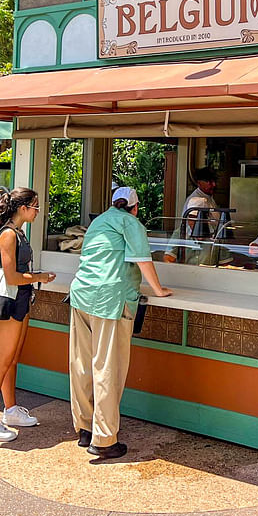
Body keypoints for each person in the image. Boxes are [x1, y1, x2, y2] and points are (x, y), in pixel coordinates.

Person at [69, 187, 173, 459]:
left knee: (81, 365)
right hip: (110, 300)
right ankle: (104, 440)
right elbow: (143, 261)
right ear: (135, 207)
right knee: (107, 367)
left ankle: (84, 428)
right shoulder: (131, 223)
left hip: (81, 294)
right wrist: (159, 290)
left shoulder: (99, 221)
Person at [0, 188, 55, 442]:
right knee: (1, 362)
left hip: (20, 300)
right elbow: (11, 276)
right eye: (35, 206)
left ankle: (10, 409)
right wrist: (40, 277)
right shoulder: (9, 235)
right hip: (9, 303)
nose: (37, 211)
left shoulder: (18, 233)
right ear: (23, 208)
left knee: (11, 359)